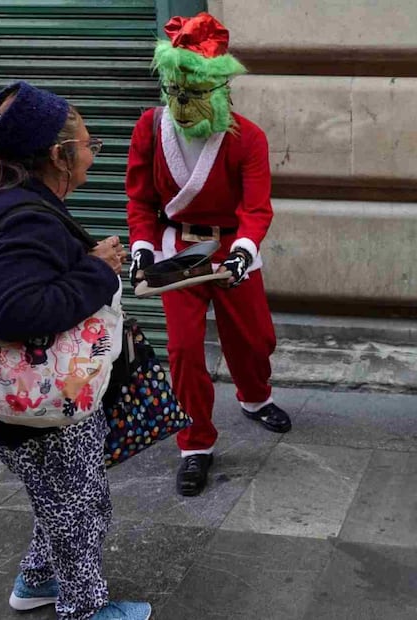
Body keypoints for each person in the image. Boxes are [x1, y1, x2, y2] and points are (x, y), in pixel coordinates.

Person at [0, 81, 151, 620]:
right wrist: (98, 270)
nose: (91, 154)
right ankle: (83, 609)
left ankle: (36, 580)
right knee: (81, 510)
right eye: (87, 145)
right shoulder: (25, 216)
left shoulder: (3, 203)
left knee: (58, 500)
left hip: (11, 404)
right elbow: (11, 313)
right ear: (59, 155)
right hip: (40, 408)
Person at [125, 12, 291, 498]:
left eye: (193, 94)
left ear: (218, 88)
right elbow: (140, 199)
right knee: (182, 350)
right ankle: (194, 444)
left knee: (255, 339)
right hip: (178, 253)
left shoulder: (249, 138)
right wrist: (141, 247)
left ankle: (255, 397)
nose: (182, 105)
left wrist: (242, 250)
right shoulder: (148, 129)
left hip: (230, 249)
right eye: (175, 92)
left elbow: (257, 208)